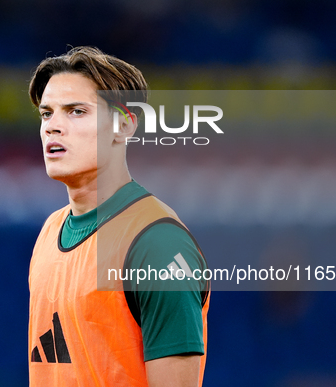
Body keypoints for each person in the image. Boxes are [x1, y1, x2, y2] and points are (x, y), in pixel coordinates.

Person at [27, 46, 210, 387]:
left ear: (124, 124)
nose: (53, 126)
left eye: (76, 111)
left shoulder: (156, 242)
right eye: (46, 114)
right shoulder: (50, 231)